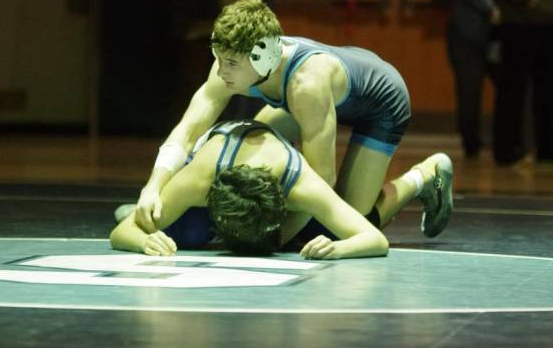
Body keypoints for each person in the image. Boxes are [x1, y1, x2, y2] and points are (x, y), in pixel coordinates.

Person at [127, 0, 451, 238]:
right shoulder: (234, 60)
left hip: (381, 103)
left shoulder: (306, 85)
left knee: (349, 222)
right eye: (219, 59)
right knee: (248, 162)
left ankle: (423, 175)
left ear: (263, 55)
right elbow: (186, 130)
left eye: (231, 65)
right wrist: (154, 189)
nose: (221, 72)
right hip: (310, 100)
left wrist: (270, 236)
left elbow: (321, 183)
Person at [110, 120, 453, 258]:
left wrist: (338, 249)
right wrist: (143, 239)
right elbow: (120, 233)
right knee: (185, 236)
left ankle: (423, 175)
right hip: (213, 171)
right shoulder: (200, 179)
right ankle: (155, 208)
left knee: (352, 223)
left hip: (281, 184)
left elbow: (374, 241)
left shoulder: (299, 185)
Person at [490, 0, 553, 165]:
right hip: (520, 18)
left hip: (549, 18)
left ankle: (547, 147)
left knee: (548, 89)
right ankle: (507, 148)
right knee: (512, 88)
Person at [447, 0, 500, 158]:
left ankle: (506, 142)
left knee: (509, 89)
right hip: (466, 39)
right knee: (469, 94)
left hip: (495, 37)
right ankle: (472, 146)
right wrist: (493, 10)